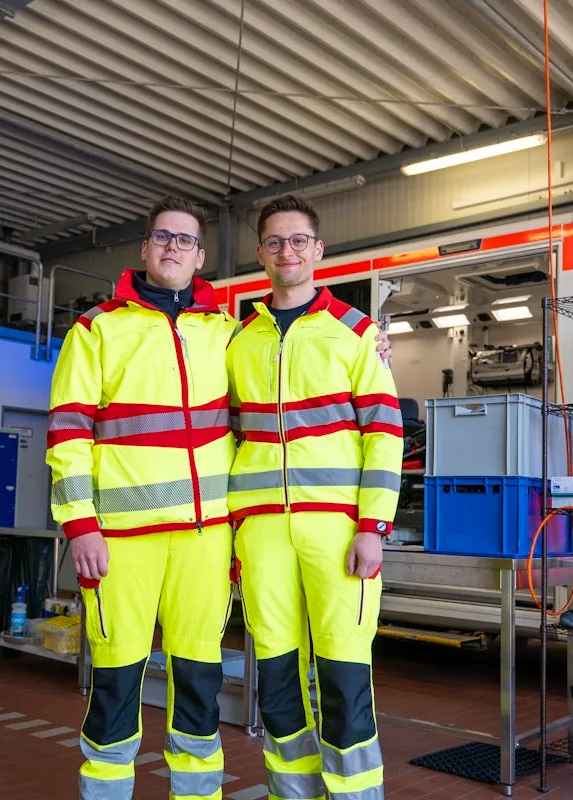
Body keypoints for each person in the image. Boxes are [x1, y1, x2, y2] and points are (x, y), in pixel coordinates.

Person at [46, 195, 394, 800]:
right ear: (145, 248)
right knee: (121, 680)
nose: (173, 247)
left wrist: (374, 523)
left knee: (214, 680)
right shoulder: (107, 330)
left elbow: (370, 426)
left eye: (185, 240)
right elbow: (67, 433)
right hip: (136, 541)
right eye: (163, 237)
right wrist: (80, 525)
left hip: (226, 538)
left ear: (202, 256)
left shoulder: (240, 333)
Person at [226, 194, 403, 800]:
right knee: (275, 675)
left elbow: (384, 434)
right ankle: (290, 794)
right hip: (262, 533)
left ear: (318, 250)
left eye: (298, 240)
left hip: (338, 531)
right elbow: (225, 434)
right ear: (260, 253)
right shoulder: (238, 341)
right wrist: (234, 528)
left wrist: (372, 527)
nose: (287, 251)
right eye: (275, 241)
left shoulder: (357, 334)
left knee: (343, 674)